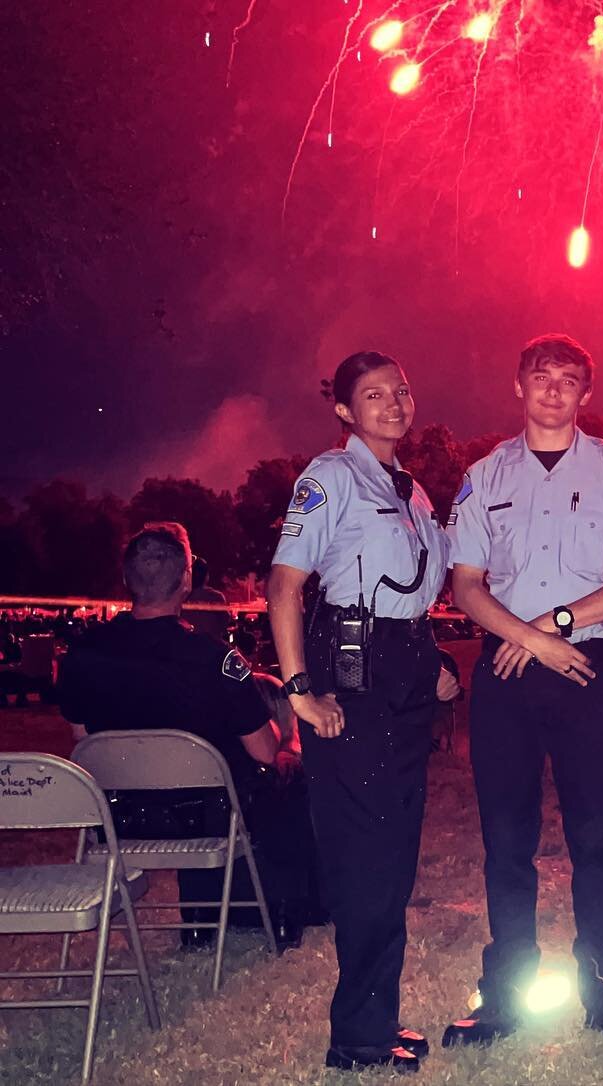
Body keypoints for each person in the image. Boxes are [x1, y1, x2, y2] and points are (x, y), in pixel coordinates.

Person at [443, 334, 603, 1051]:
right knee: (507, 844)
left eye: (570, 381)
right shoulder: (483, 475)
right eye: (542, 378)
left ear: (585, 395)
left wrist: (555, 624)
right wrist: (533, 640)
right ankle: (503, 995)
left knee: (596, 842)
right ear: (518, 386)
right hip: (506, 676)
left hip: (587, 671)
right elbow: (465, 586)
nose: (555, 391)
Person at [267, 351, 452, 1075]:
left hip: (402, 674)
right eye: (372, 395)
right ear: (344, 410)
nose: (392, 403)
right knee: (365, 859)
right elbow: (285, 585)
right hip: (350, 672)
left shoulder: (412, 491)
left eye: (400, 391)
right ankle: (358, 1039)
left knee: (394, 855)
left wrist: (432, 662)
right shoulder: (330, 478)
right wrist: (299, 690)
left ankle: (379, 1019)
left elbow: (414, 593)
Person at [56, 522, 321, 951]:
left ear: (126, 581)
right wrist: (289, 739)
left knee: (215, 782)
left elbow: (83, 742)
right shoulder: (214, 660)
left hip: (119, 817)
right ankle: (286, 913)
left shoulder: (83, 655)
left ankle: (200, 919)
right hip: (208, 817)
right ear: (187, 582)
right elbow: (264, 751)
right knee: (288, 773)